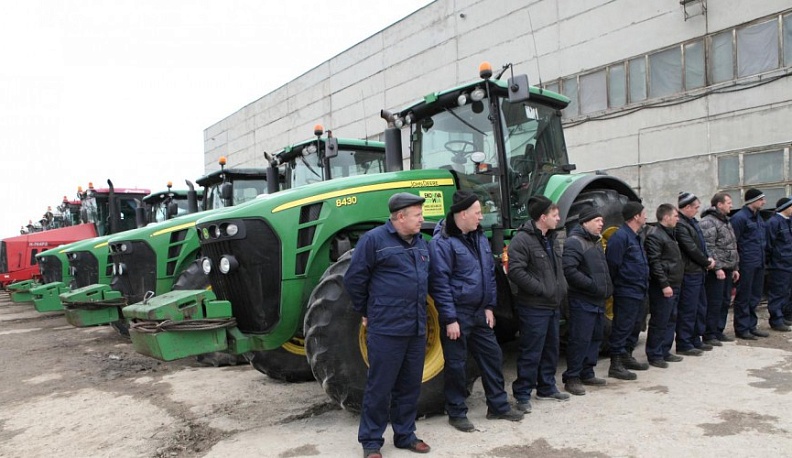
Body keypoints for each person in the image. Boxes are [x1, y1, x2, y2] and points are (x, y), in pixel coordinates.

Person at [344, 192, 431, 458]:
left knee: (410, 384)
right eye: (417, 215)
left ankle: (405, 435)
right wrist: (367, 310)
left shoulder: (421, 243)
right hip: (386, 329)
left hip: (416, 327)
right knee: (380, 386)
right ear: (400, 217)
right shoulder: (373, 241)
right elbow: (353, 279)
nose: (422, 220)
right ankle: (371, 441)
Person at [429, 190, 523, 432]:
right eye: (478, 212)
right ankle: (457, 412)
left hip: (480, 312)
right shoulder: (442, 242)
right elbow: (440, 283)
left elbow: (489, 275)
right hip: (458, 315)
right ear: (462, 214)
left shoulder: (479, 237)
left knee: (493, 356)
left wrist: (489, 306)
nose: (481, 217)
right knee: (457, 364)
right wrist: (449, 319)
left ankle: (498, 407)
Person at [508, 195, 570, 413]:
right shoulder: (522, 241)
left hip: (552, 305)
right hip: (534, 307)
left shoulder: (551, 238)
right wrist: (542, 289)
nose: (558, 218)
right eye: (554, 215)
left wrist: (559, 289)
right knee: (531, 351)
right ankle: (523, 393)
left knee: (551, 349)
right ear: (543, 217)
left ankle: (546, 387)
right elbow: (515, 271)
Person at [561, 206, 613, 396]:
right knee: (580, 339)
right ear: (585, 222)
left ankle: (587, 371)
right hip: (583, 300)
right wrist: (593, 286)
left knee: (596, 337)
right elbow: (570, 271)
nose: (602, 224)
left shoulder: (595, 242)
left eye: (602, 220)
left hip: (597, 300)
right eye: (597, 220)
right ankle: (572, 377)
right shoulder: (574, 242)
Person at [606, 201, 650, 380]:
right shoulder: (620, 237)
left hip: (639, 289)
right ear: (636, 216)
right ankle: (615, 364)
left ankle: (627, 355)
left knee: (635, 325)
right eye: (644, 213)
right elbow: (613, 265)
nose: (646, 216)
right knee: (622, 326)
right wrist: (621, 285)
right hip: (626, 290)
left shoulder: (635, 236)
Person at [643, 204, 685, 368]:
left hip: (675, 282)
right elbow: (655, 263)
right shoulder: (655, 236)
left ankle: (665, 350)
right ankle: (654, 354)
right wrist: (664, 284)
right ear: (666, 217)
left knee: (671, 318)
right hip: (664, 286)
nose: (677, 218)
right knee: (660, 320)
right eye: (675, 216)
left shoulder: (670, 234)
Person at [674, 192, 716, 356]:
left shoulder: (692, 222)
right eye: (695, 208)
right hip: (690, 272)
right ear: (687, 207)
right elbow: (690, 248)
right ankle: (684, 342)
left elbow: (701, 244)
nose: (697, 211)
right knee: (688, 309)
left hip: (698, 271)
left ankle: (695, 339)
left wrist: (707, 258)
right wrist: (706, 262)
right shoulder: (681, 225)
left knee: (700, 307)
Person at [700, 192, 740, 345]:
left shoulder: (726, 221)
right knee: (714, 302)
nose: (731, 205)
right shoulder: (708, 222)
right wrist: (717, 268)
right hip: (717, 271)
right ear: (719, 204)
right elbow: (708, 247)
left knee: (724, 301)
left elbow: (732, 246)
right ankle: (709, 334)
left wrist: (735, 267)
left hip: (728, 269)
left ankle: (718, 330)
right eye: (728, 202)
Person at [730, 188, 768, 340]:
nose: (763, 202)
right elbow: (734, 242)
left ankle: (752, 326)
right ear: (752, 201)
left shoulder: (758, 217)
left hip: (759, 262)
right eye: (761, 199)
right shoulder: (739, 218)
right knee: (744, 296)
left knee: (755, 296)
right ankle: (742, 328)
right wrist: (736, 266)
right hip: (746, 263)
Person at [764, 197, 792, 332]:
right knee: (778, 292)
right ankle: (776, 320)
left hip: (788, 263)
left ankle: (785, 316)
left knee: (786, 292)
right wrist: (770, 263)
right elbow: (768, 245)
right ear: (786, 207)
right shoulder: (773, 223)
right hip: (779, 264)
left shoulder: (788, 222)